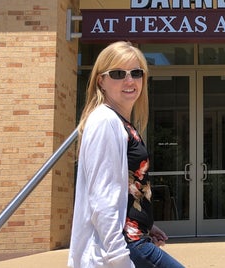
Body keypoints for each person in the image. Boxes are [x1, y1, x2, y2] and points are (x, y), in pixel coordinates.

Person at [68, 41, 184, 268]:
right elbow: (102, 198)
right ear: (101, 80)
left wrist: (146, 224)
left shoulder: (119, 122)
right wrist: (119, 258)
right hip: (124, 247)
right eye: (118, 73)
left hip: (134, 239)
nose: (130, 80)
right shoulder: (104, 121)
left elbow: (126, 189)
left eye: (136, 73)